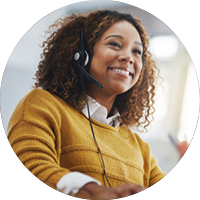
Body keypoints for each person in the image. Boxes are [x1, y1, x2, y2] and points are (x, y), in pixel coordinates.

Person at [7, 10, 166, 199]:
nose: (128, 57)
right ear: (81, 54)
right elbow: (28, 172)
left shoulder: (140, 148)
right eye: (115, 44)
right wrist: (91, 190)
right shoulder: (42, 105)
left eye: (136, 51)